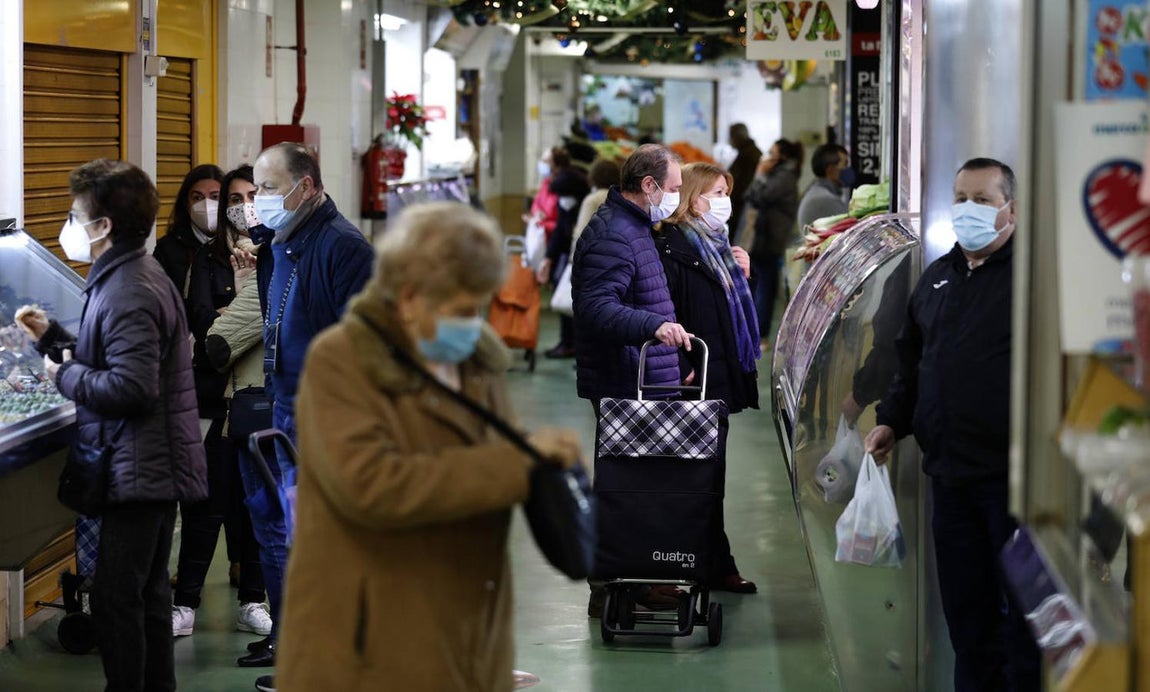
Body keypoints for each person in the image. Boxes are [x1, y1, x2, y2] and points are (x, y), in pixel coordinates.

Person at [277, 201, 581, 691]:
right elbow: (371, 486)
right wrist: (514, 467)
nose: (473, 321)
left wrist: (544, 463)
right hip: (370, 641)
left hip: (467, 627)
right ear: (410, 296)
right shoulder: (342, 362)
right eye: (462, 308)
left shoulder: (474, 361)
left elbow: (491, 456)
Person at [18, 159, 207, 692]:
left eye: (76, 214)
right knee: (145, 595)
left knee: (119, 597)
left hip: (141, 465)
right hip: (146, 460)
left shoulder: (128, 288)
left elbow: (130, 387)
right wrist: (51, 337)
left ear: (102, 226)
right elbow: (115, 356)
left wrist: (64, 374)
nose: (69, 224)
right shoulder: (128, 276)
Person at [864, 158, 1040, 692]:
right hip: (950, 479)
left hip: (1013, 485)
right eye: (961, 196)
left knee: (1024, 621)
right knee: (967, 615)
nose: (968, 208)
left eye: (982, 200)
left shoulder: (1034, 281)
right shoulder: (939, 276)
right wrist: (893, 421)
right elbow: (914, 361)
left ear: (1012, 209)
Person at [243, 142, 374, 682]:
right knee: (280, 530)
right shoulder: (286, 241)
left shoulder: (343, 246)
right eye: (256, 190)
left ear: (308, 186)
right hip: (283, 408)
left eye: (269, 189)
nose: (259, 200)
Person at [571, 143, 692, 616]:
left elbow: (645, 295)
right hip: (623, 382)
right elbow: (598, 307)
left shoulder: (635, 226)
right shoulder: (614, 235)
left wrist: (672, 359)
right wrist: (653, 329)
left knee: (641, 488)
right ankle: (612, 586)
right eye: (674, 188)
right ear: (649, 186)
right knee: (625, 489)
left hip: (645, 376)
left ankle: (636, 580)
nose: (677, 198)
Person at [171, 165, 270, 641]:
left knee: (253, 505)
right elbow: (204, 324)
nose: (241, 204)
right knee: (203, 504)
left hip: (255, 400)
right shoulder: (207, 258)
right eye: (235, 197)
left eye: (251, 194)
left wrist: (236, 323)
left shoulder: (272, 252)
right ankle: (185, 601)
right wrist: (235, 323)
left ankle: (253, 600)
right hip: (211, 399)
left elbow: (268, 322)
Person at [656, 162, 759, 593]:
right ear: (692, 198)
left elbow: (726, 313)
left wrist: (741, 274)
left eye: (726, 192)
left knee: (710, 478)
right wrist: (682, 367)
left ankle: (715, 564)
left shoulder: (717, 247)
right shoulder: (673, 248)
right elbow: (667, 314)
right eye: (716, 192)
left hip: (713, 378)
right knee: (692, 480)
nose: (724, 201)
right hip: (691, 379)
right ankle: (693, 565)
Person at [745, 138, 802, 347]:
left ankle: (762, 334)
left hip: (770, 239)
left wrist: (759, 174)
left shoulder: (785, 176)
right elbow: (751, 195)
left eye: (772, 153)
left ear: (783, 156)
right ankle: (759, 332)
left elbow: (759, 196)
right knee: (761, 284)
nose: (767, 158)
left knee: (764, 286)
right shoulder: (779, 174)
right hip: (764, 237)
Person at [537, 147, 590, 358]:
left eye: (545, 161)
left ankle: (572, 344)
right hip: (566, 251)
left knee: (570, 298)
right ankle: (568, 342)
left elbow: (564, 227)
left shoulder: (571, 185)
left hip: (574, 252)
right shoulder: (569, 185)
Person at [154, 164, 224, 299]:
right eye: (197, 198)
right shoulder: (168, 248)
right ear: (186, 204)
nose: (207, 204)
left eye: (215, 197)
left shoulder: (239, 244)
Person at [797, 143, 852, 232]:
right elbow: (851, 231)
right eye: (845, 164)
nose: (848, 169)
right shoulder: (825, 199)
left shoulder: (818, 191)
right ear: (830, 170)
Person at [726, 123, 763, 242]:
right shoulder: (746, 153)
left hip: (741, 207)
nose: (730, 140)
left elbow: (743, 185)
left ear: (739, 136)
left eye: (731, 136)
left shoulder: (750, 155)